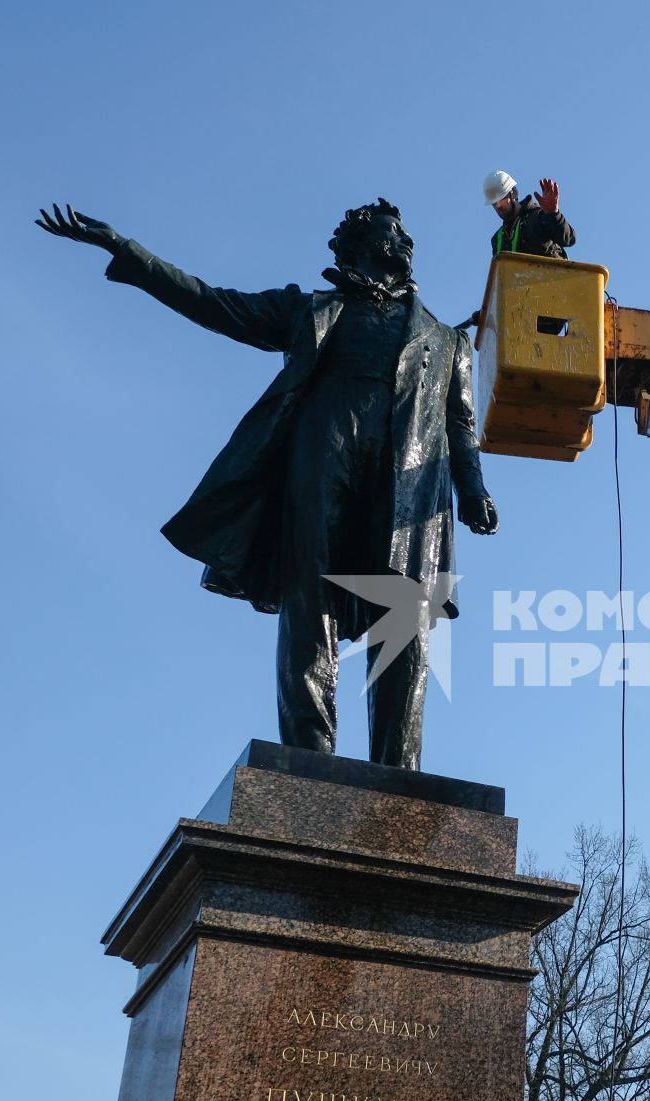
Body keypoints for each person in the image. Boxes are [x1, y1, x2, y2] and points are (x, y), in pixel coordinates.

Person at [37, 199, 498, 770]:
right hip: (322, 457)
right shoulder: (308, 310)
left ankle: (399, 769)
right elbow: (214, 304)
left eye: (407, 235)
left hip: (409, 480)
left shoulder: (447, 341)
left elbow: (461, 426)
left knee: (404, 612)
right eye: (392, 231)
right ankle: (310, 758)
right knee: (310, 601)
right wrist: (127, 250)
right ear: (358, 242)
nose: (405, 242)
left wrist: (473, 489)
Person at [483, 169, 575, 259]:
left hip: (550, 273)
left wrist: (554, 214)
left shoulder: (536, 218)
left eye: (501, 198)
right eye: (494, 203)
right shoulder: (498, 239)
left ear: (512, 194)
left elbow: (569, 239)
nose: (498, 205)